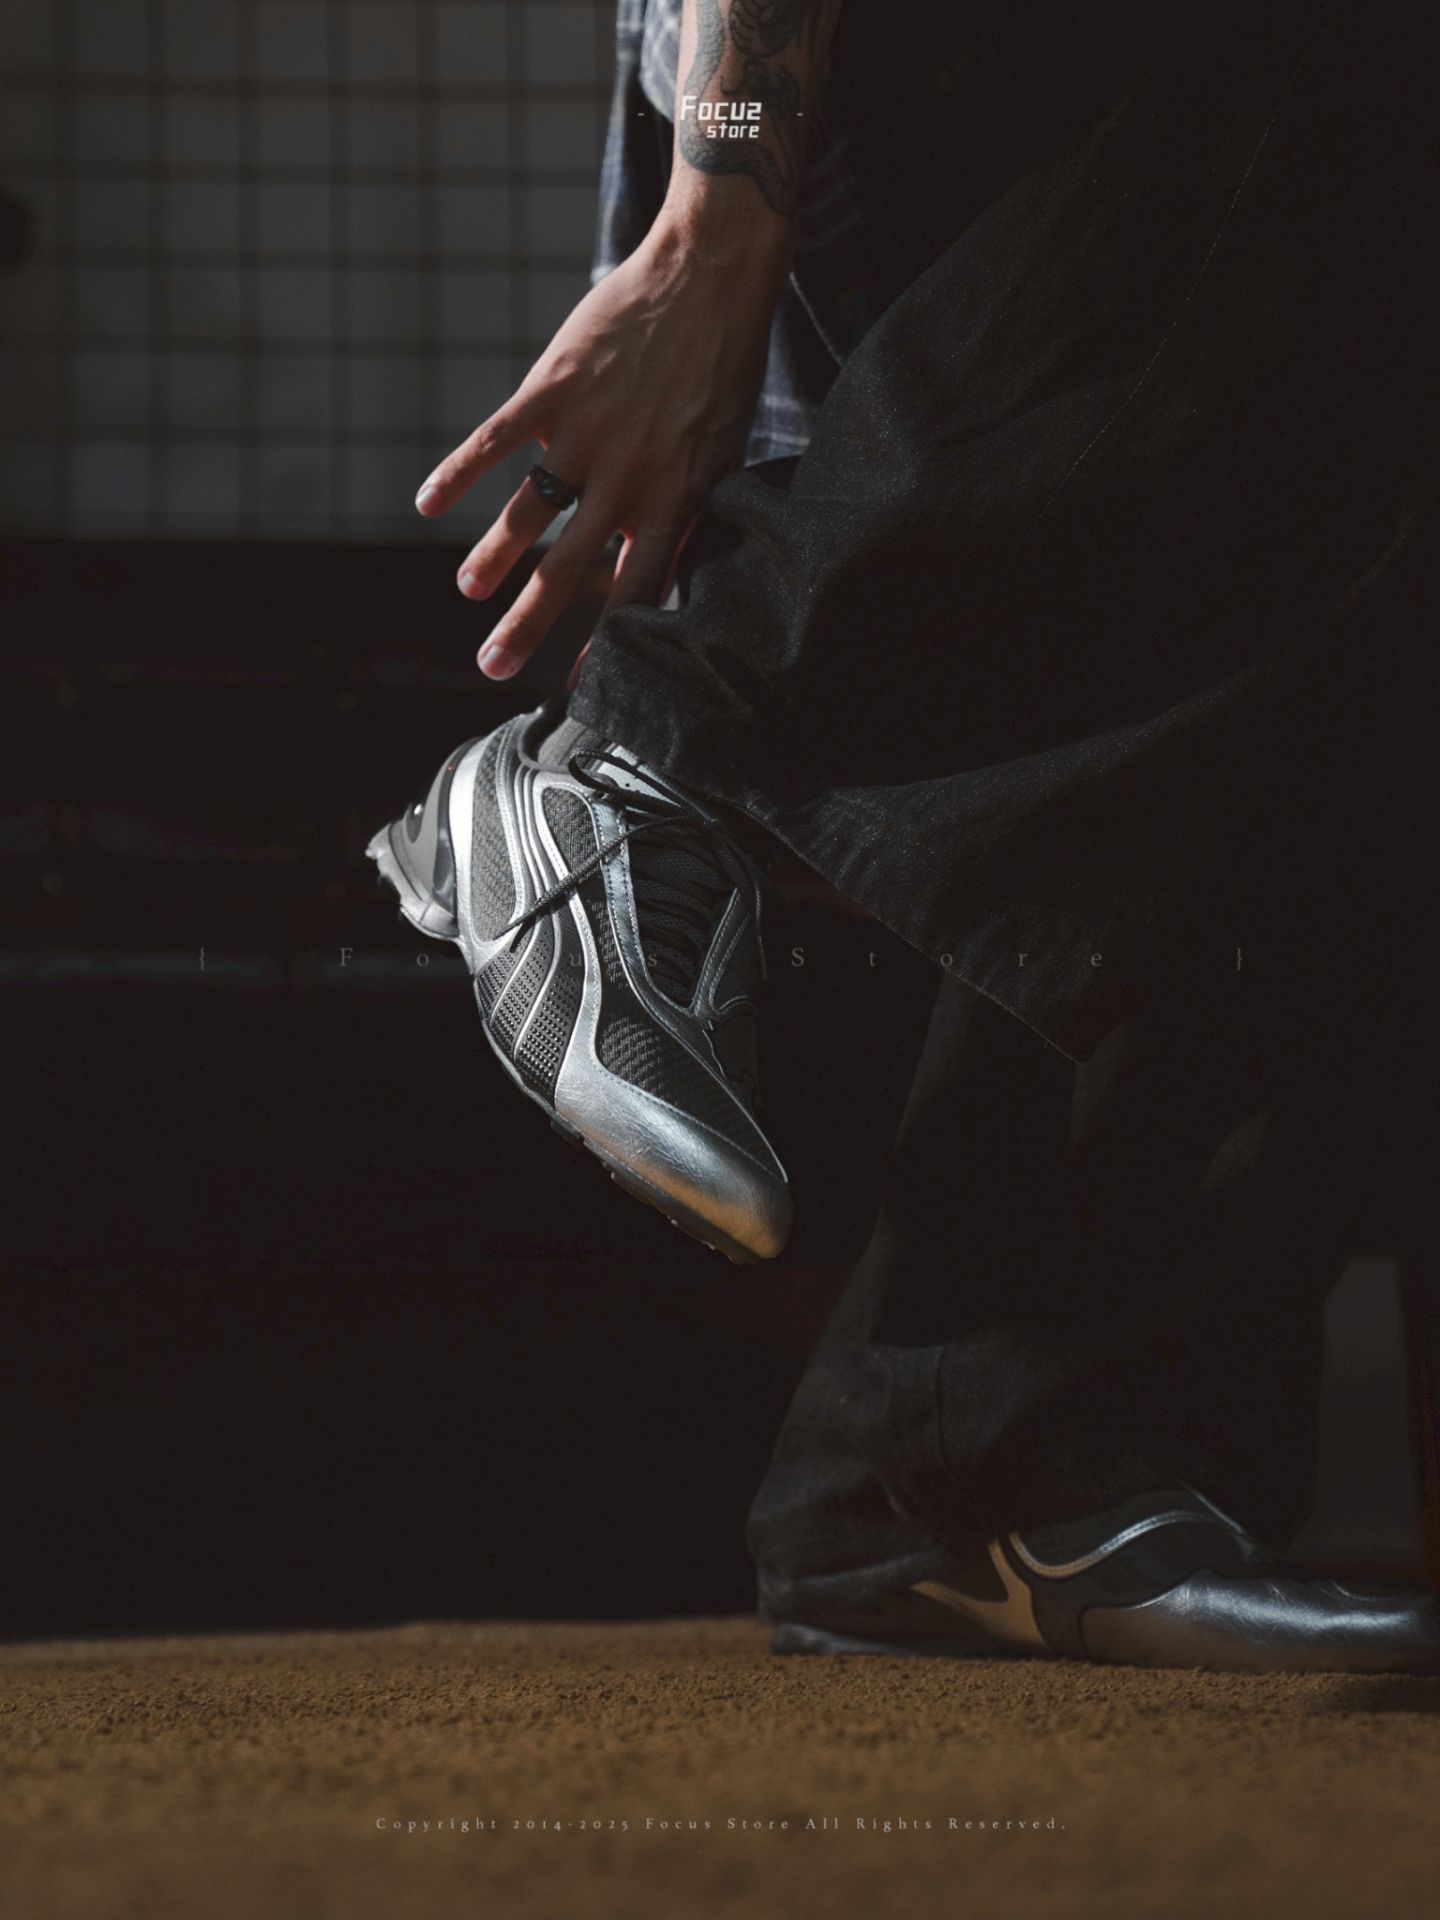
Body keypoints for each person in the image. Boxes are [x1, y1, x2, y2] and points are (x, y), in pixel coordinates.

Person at [370, 4, 1440, 1671]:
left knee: (1321, 573)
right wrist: (715, 217)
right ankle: (635, 774)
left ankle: (988, 1468)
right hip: (862, 88)